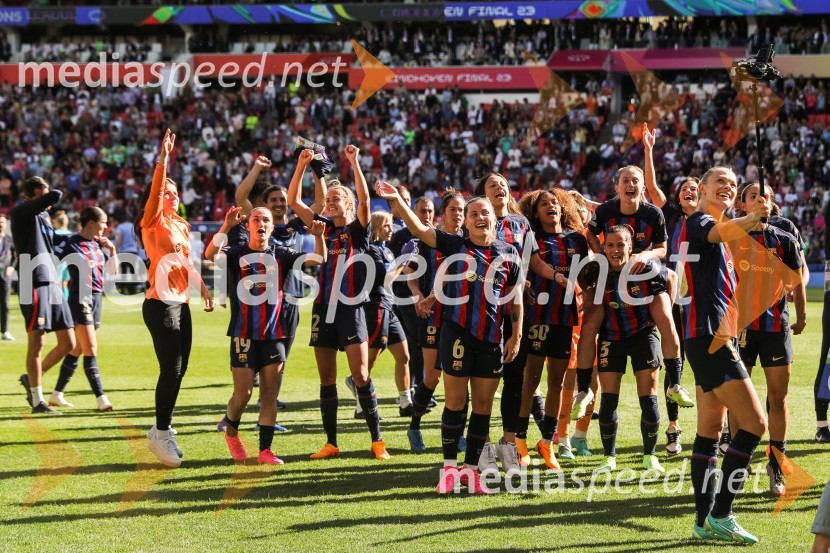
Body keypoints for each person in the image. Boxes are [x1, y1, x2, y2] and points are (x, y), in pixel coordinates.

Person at [378, 182, 523, 495]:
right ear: (467, 222)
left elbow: (516, 299)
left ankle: (471, 471)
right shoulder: (454, 244)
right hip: (455, 333)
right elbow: (419, 230)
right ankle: (448, 469)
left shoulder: (508, 253)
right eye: (473, 214)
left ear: (495, 219)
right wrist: (396, 201)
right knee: (456, 403)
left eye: (484, 212)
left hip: (490, 339)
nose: (479, 217)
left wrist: (517, 335)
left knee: (483, 406)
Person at [680, 165, 769, 544]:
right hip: (709, 339)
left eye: (733, 185)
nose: (728, 188)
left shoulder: (724, 235)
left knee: (710, 430)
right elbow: (719, 231)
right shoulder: (699, 220)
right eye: (721, 182)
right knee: (754, 424)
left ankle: (703, 522)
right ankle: (722, 513)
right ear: (702, 188)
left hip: (711, 338)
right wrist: (752, 218)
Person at [288, 145, 391, 461]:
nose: (330, 202)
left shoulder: (358, 230)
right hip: (323, 308)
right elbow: (293, 201)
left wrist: (355, 162)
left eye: (336, 199)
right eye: (328, 200)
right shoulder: (322, 227)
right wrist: (303, 165)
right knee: (327, 378)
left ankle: (377, 440)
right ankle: (331, 443)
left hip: (351, 308)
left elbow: (365, 199)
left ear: (348, 204)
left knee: (360, 374)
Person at [206, 206, 325, 464]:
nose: (261, 223)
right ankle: (232, 434)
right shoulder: (237, 252)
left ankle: (265, 451)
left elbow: (318, 259)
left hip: (274, 334)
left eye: (266, 220)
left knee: (269, 393)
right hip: (244, 334)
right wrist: (225, 226)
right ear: (249, 226)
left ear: (272, 228)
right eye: (256, 219)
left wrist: (319, 236)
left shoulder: (281, 253)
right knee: (243, 395)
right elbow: (210, 253)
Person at [135, 129, 214, 468]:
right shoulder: (153, 221)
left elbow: (186, 262)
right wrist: (163, 160)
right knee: (171, 367)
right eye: (167, 192)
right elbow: (156, 189)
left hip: (180, 302)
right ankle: (161, 432)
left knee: (180, 369)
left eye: (174, 192)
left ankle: (161, 429)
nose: (171, 195)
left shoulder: (180, 224)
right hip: (159, 303)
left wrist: (203, 288)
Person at [472, 172, 557, 474]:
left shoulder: (522, 224)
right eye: (492, 185)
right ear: (482, 194)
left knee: (514, 380)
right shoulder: (477, 222)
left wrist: (557, 276)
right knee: (481, 381)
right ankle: (479, 446)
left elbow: (532, 261)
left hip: (517, 311)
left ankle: (508, 446)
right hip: (483, 311)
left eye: (503, 184)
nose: (500, 188)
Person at [576, 225, 668, 474]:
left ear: (630, 247)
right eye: (610, 245)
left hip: (643, 335)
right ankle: (609, 457)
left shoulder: (646, 269)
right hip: (611, 337)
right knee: (608, 400)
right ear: (603, 247)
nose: (615, 250)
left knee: (648, 398)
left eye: (621, 244)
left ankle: (649, 455)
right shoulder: (597, 272)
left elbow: (670, 281)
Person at [734, 181, 806, 497]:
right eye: (753, 196)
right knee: (738, 397)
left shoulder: (785, 239)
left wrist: (802, 316)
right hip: (741, 328)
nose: (759, 201)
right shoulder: (731, 238)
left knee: (778, 396)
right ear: (743, 204)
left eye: (764, 196)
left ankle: (775, 465)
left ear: (771, 203)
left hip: (776, 328)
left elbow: (798, 281)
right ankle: (736, 462)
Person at [515, 188, 588, 470]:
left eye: (555, 202)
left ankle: (547, 443)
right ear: (535, 212)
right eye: (544, 204)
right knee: (531, 380)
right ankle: (520, 442)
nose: (551, 206)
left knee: (556, 382)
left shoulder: (576, 240)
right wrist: (527, 289)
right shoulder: (530, 239)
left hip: (565, 317)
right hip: (538, 316)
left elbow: (585, 273)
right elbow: (521, 272)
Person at [642, 123, 699, 455]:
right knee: (673, 362)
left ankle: (719, 430)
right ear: (677, 196)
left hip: (703, 301)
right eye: (684, 189)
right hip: (673, 300)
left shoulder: (712, 221)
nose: (688, 192)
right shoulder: (670, 218)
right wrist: (649, 149)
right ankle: (673, 428)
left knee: (706, 365)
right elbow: (650, 186)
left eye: (695, 188)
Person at [404, 188, 465, 452]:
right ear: (443, 214)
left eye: (461, 210)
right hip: (434, 315)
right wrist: (418, 295)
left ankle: (458, 434)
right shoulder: (429, 240)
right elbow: (410, 271)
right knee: (432, 377)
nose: (458, 215)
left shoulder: (471, 239)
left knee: (461, 375)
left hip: (463, 316)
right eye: (453, 209)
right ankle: (414, 427)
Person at [11, 176, 76, 415]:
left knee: (69, 342)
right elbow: (56, 195)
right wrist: (48, 194)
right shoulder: (21, 213)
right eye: (43, 194)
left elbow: (54, 239)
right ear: (32, 194)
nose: (48, 202)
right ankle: (38, 401)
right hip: (32, 279)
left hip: (53, 280)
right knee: (37, 342)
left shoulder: (43, 216)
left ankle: (30, 379)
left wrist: (84, 238)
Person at [49, 206, 116, 411]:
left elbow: (112, 273)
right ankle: (101, 398)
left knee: (78, 348)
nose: (106, 227)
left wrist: (112, 251)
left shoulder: (97, 245)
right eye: (103, 222)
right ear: (90, 223)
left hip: (97, 299)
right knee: (91, 348)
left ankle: (56, 394)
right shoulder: (70, 243)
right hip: (80, 298)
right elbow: (50, 261)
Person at [348, 210, 412, 418]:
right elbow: (385, 278)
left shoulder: (387, 250)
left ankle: (405, 402)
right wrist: (403, 262)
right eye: (386, 225)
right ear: (375, 227)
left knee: (403, 355)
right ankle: (361, 404)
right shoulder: (371, 250)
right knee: (370, 361)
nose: (391, 229)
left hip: (388, 306)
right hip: (375, 306)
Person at [114, 214, 141, 294]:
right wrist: (138, 249)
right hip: (133, 251)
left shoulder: (120, 227)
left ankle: (123, 288)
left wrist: (115, 248)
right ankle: (132, 288)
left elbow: (119, 238)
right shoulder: (133, 226)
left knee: (124, 271)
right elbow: (137, 239)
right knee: (133, 270)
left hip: (123, 252)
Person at [0, 213, 13, 341]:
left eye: (2, 222)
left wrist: (12, 267)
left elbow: (16, 255)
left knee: (5, 304)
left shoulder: (9, 239)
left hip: (4, 276)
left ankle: (5, 331)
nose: (0, 225)